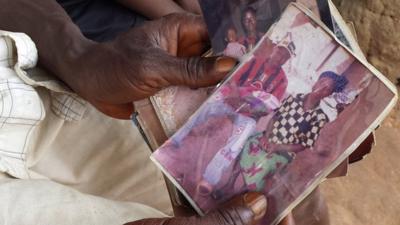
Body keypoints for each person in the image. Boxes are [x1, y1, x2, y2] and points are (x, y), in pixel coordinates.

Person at [0, 1, 374, 225]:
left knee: (295, 200)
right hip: (55, 68)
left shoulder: (279, 79)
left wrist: (76, 55)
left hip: (71, 79)